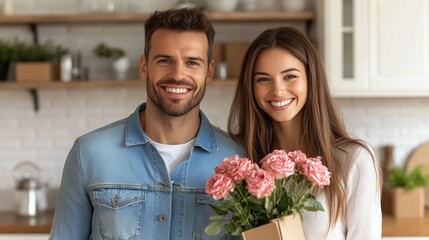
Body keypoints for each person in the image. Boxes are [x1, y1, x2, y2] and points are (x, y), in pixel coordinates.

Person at [50, 8, 245, 240]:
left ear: (209, 72)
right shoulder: (88, 154)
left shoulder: (239, 161)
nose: (178, 74)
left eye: (192, 62)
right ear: (144, 67)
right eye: (165, 60)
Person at [227, 26, 382, 239]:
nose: (278, 90)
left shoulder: (353, 159)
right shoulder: (242, 163)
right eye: (263, 79)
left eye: (290, 76)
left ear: (311, 79)